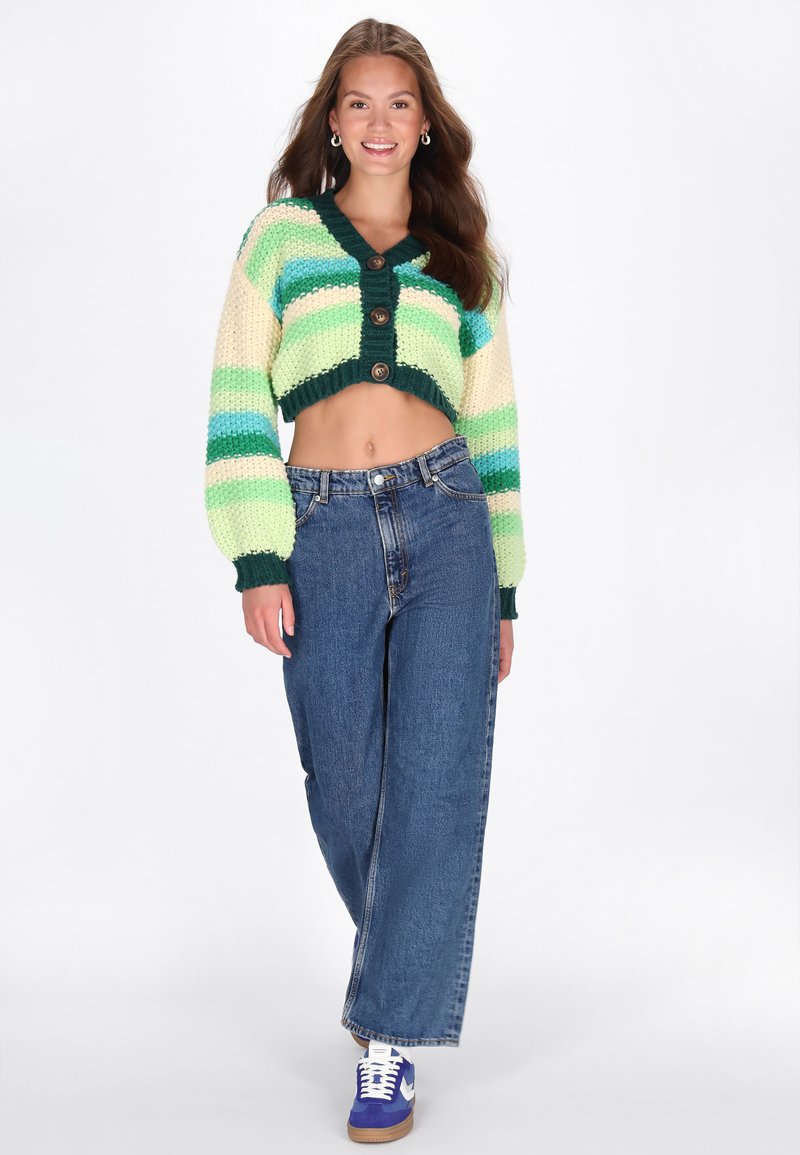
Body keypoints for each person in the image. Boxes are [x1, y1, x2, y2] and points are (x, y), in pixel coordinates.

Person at [204, 18, 526, 1144]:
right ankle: (397, 965)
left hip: (448, 520)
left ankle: (387, 1039)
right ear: (331, 121)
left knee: (433, 781)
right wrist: (258, 554)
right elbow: (237, 395)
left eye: (399, 103)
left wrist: (504, 589)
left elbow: (493, 425)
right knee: (341, 779)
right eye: (357, 102)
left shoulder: (461, 252)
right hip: (322, 526)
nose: (378, 122)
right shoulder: (280, 238)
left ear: (425, 121)